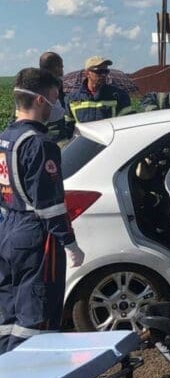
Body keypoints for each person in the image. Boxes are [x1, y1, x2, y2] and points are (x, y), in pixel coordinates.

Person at [0, 68, 85, 353]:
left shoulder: (5, 138)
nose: (57, 105)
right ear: (40, 99)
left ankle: (5, 369)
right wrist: (70, 243)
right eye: (54, 97)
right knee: (38, 319)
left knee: (9, 314)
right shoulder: (40, 144)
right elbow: (50, 205)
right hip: (35, 237)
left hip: (7, 229)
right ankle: (31, 373)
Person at [65, 56, 130, 125]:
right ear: (87, 73)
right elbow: (68, 126)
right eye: (99, 71)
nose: (103, 75)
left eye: (106, 71)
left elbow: (126, 123)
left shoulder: (120, 96)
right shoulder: (71, 99)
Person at [38, 52, 68, 144]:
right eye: (61, 67)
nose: (63, 70)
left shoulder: (30, 86)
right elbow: (60, 113)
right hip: (53, 140)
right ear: (55, 68)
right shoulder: (50, 87)